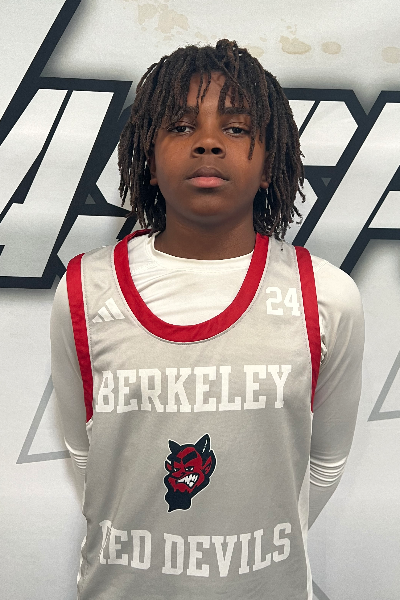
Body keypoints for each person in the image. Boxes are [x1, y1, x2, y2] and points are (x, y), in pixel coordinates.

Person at [51, 39, 364, 600]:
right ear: (148, 161)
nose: (209, 143)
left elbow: (326, 462)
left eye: (237, 128)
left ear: (269, 165)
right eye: (180, 126)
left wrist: (246, 563)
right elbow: (84, 453)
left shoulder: (326, 296)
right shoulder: (83, 289)